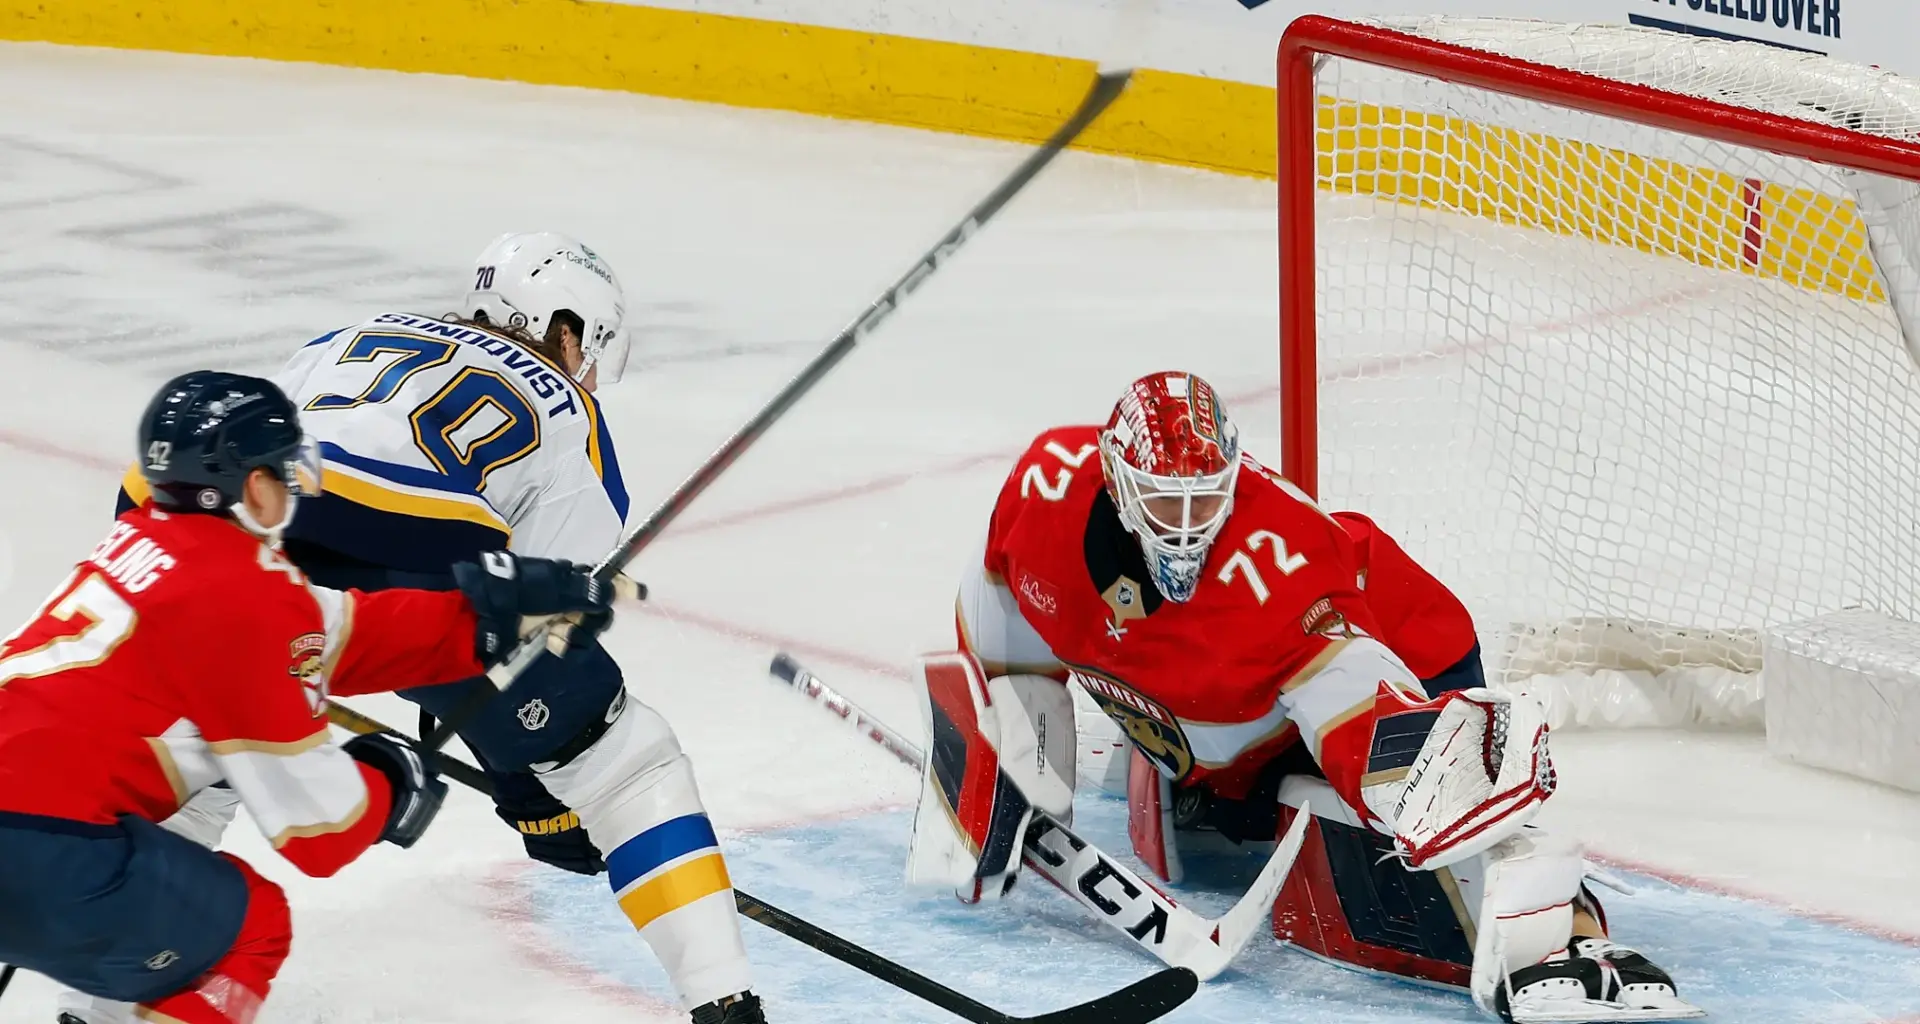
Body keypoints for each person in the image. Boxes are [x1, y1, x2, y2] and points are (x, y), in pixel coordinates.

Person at [906, 370, 1702, 1023]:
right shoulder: (1045, 489)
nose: (1185, 528)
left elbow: (1360, 713)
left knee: (1410, 814)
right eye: (1164, 503)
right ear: (1116, 480)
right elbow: (1002, 621)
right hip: (1229, 706)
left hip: (1406, 650)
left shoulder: (1278, 571)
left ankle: (1571, 932)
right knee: (1220, 795)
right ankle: (1206, 779)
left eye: (1205, 500)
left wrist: (1444, 794)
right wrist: (1001, 757)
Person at [116, 233, 765, 1024]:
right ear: (565, 330)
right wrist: (535, 790)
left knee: (200, 745)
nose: (591, 374)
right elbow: (520, 630)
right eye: (591, 349)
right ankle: (725, 1002)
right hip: (412, 555)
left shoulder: (348, 336)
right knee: (623, 762)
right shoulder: (571, 412)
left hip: (233, 536)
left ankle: (107, 1001)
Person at [8, 371, 614, 1024]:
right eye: (281, 468)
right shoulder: (246, 592)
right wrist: (387, 782)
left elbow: (337, 635)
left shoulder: (135, 543)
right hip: (49, 846)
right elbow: (318, 829)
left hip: (35, 825)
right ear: (250, 485)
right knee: (251, 928)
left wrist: (486, 620)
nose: (294, 484)